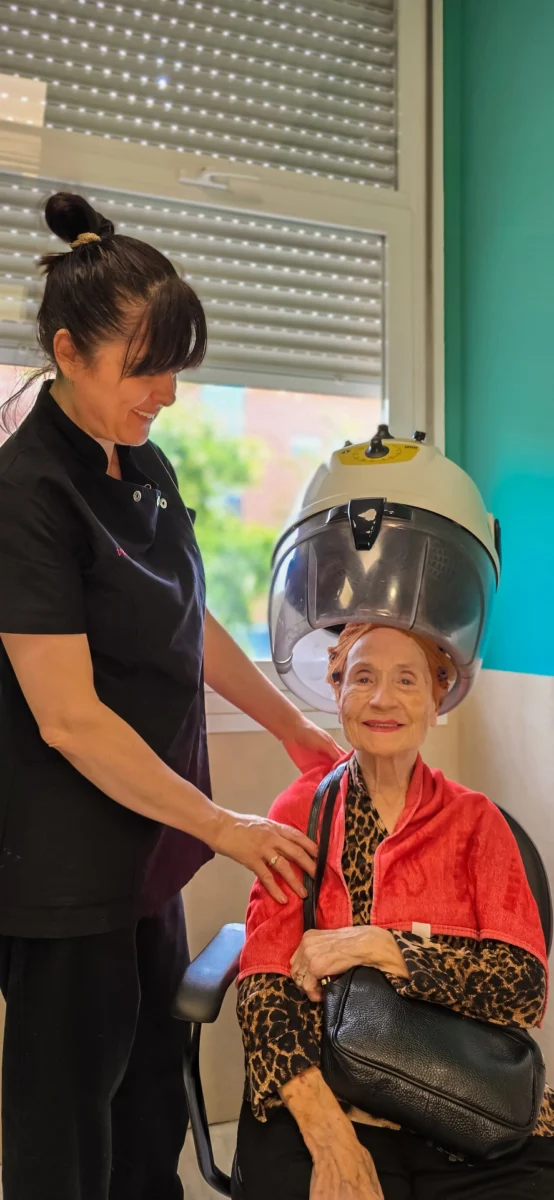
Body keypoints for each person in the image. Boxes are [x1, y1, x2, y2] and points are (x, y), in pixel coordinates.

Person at [0, 191, 342, 1200]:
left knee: (151, 1088)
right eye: (145, 368)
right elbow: (66, 718)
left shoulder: (139, 462)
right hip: (68, 872)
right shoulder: (27, 494)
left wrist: (290, 726)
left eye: (174, 369)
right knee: (67, 1126)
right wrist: (226, 825)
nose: (168, 394)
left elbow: (182, 620)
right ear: (68, 350)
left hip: (148, 843)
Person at [236, 623, 554, 1199]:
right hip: (332, 1092)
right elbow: (263, 988)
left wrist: (378, 945)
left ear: (438, 701)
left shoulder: (477, 823)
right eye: (362, 678)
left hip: (464, 1096)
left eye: (407, 680)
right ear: (338, 695)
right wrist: (331, 1138)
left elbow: (522, 988)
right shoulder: (303, 810)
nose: (383, 698)